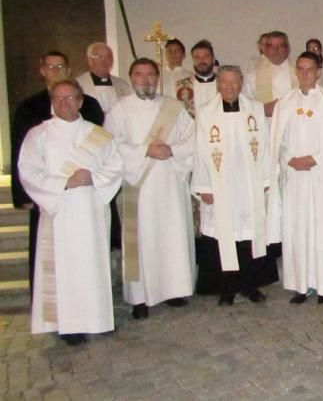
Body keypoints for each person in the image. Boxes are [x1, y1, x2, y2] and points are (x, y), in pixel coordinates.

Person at [18, 78, 123, 346]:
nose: (64, 103)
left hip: (91, 211)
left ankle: (97, 318)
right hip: (59, 214)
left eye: (69, 98)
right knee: (66, 268)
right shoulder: (38, 135)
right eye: (58, 98)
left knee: (92, 265)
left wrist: (93, 178)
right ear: (52, 102)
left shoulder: (98, 135)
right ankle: (68, 324)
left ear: (80, 101)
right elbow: (28, 171)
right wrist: (63, 182)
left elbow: (115, 167)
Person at [104, 58, 196, 320]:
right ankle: (139, 298)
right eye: (139, 75)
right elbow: (111, 144)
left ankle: (174, 289)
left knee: (172, 235)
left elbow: (192, 137)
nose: (145, 80)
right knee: (139, 241)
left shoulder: (174, 108)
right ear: (131, 78)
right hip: (139, 186)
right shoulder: (119, 111)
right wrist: (145, 150)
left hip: (169, 183)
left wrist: (172, 150)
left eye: (150, 75)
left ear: (157, 77)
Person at [10, 51, 105, 296]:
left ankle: (93, 310)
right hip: (49, 197)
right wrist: (23, 194)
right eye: (50, 66)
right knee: (50, 256)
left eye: (60, 66)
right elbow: (22, 158)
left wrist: (96, 179)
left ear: (68, 70)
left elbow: (106, 153)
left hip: (87, 201)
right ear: (42, 70)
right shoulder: (30, 108)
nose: (55, 70)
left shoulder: (91, 107)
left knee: (89, 257)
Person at [267, 52, 323, 304]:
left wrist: (314, 159)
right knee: (298, 230)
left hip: (321, 180)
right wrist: (288, 158)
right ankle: (301, 286)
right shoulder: (285, 103)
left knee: (322, 229)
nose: (304, 74)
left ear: (318, 72)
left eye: (309, 69)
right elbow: (276, 142)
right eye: (300, 69)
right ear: (296, 72)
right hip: (294, 179)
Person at [192, 65, 277, 306]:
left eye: (234, 83)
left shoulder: (254, 109)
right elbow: (199, 150)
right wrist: (204, 186)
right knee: (223, 236)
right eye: (225, 83)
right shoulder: (207, 113)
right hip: (220, 185)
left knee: (249, 236)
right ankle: (226, 288)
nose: (229, 87)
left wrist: (265, 179)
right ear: (218, 84)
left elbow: (265, 145)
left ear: (241, 84)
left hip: (249, 184)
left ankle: (251, 285)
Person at [243, 31, 298, 117]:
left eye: (280, 46)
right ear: (265, 49)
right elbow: (245, 103)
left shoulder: (301, 72)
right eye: (271, 46)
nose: (275, 50)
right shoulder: (253, 76)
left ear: (288, 49)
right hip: (268, 124)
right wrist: (262, 110)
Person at [75, 42, 133, 114]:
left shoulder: (123, 85)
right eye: (99, 57)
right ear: (89, 60)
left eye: (108, 57)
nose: (104, 61)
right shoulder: (78, 84)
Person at [175, 39, 219, 118]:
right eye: (197, 57)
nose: (201, 61)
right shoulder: (182, 85)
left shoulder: (225, 84)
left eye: (206, 57)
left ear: (213, 59)